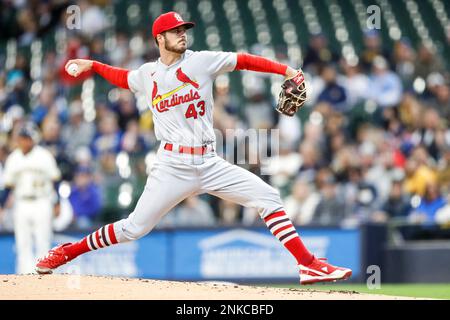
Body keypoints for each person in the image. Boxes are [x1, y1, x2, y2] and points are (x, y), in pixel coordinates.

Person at [36, 11, 351, 285]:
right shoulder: (148, 74)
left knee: (267, 196)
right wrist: (92, 64)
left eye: (183, 30)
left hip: (209, 162)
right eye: (175, 31)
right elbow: (123, 77)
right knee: (134, 228)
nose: (182, 35)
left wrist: (286, 70)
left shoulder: (201, 61)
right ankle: (65, 252)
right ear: (160, 38)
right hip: (172, 165)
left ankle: (308, 265)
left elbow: (243, 60)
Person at [0, 122, 61, 274]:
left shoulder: (44, 155)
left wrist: (57, 202)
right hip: (21, 203)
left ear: (32, 139)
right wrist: (1, 205)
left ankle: (44, 274)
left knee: (43, 240)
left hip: (42, 201)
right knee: (22, 243)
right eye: (21, 138)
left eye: (26, 138)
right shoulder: (14, 158)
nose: (24, 141)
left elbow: (55, 180)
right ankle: (23, 277)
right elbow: (8, 187)